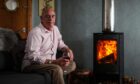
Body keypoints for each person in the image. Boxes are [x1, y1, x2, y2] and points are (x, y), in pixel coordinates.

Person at [21, 7, 76, 84]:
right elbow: (33, 57)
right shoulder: (35, 33)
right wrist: (56, 62)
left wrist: (67, 49)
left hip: (51, 64)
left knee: (72, 64)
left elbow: (60, 43)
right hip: (32, 65)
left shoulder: (55, 29)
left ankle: (55, 75)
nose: (50, 19)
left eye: (53, 16)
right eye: (47, 16)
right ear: (41, 18)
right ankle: (56, 73)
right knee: (56, 69)